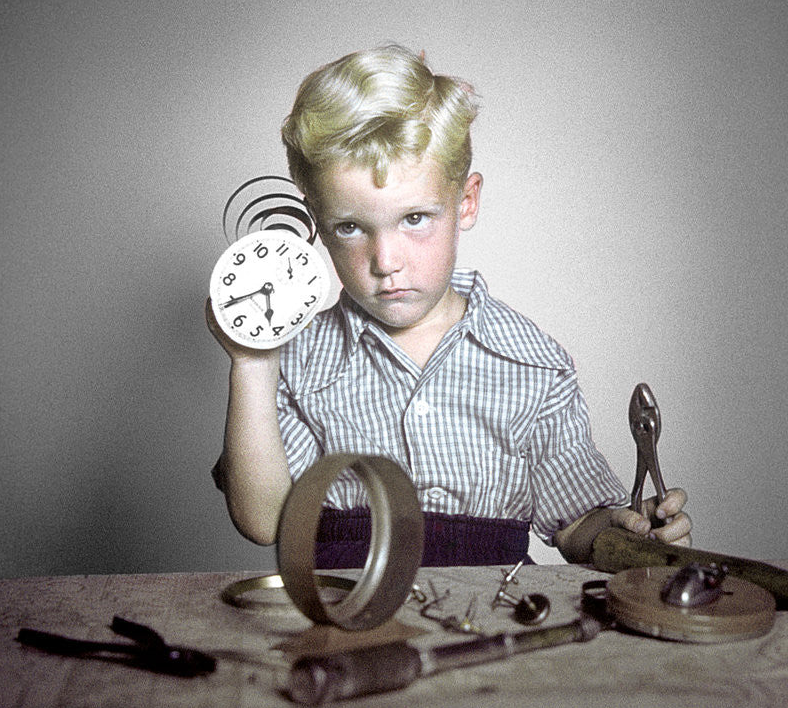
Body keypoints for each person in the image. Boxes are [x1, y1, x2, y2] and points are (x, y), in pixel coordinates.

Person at [207, 44, 691, 567]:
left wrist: (622, 534)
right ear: (317, 226)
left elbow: (575, 523)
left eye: (414, 219)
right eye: (350, 227)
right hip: (343, 621)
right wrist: (252, 363)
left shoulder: (532, 362)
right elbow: (265, 520)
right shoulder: (299, 358)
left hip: (493, 627)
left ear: (466, 202)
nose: (385, 260)